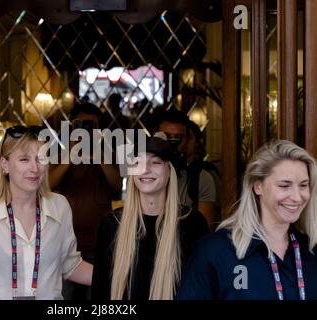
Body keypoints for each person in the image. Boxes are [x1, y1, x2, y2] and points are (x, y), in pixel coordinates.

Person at [0, 125, 92, 300]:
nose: (35, 168)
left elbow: (70, 264)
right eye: (24, 159)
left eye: (40, 158)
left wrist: (121, 277)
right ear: (4, 165)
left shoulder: (60, 207)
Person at [176, 139, 317, 300]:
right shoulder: (216, 251)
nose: (297, 197)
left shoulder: (311, 251)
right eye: (284, 186)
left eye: (303, 185)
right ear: (258, 186)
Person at [91, 132, 209, 300]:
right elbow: (100, 293)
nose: (145, 169)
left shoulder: (192, 224)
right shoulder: (112, 225)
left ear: (169, 172)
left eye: (155, 162)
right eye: (137, 162)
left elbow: (202, 290)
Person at [50, 102, 122, 300]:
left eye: (91, 126)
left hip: (99, 248)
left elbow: (117, 185)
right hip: (64, 247)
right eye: (81, 125)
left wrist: (97, 153)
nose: (86, 131)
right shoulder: (60, 155)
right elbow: (47, 184)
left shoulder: (108, 155)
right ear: (72, 127)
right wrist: (71, 154)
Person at [156, 108, 217, 230]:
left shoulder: (201, 178)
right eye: (166, 137)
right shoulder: (145, 174)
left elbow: (204, 231)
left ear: (187, 140)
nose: (172, 143)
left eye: (178, 138)